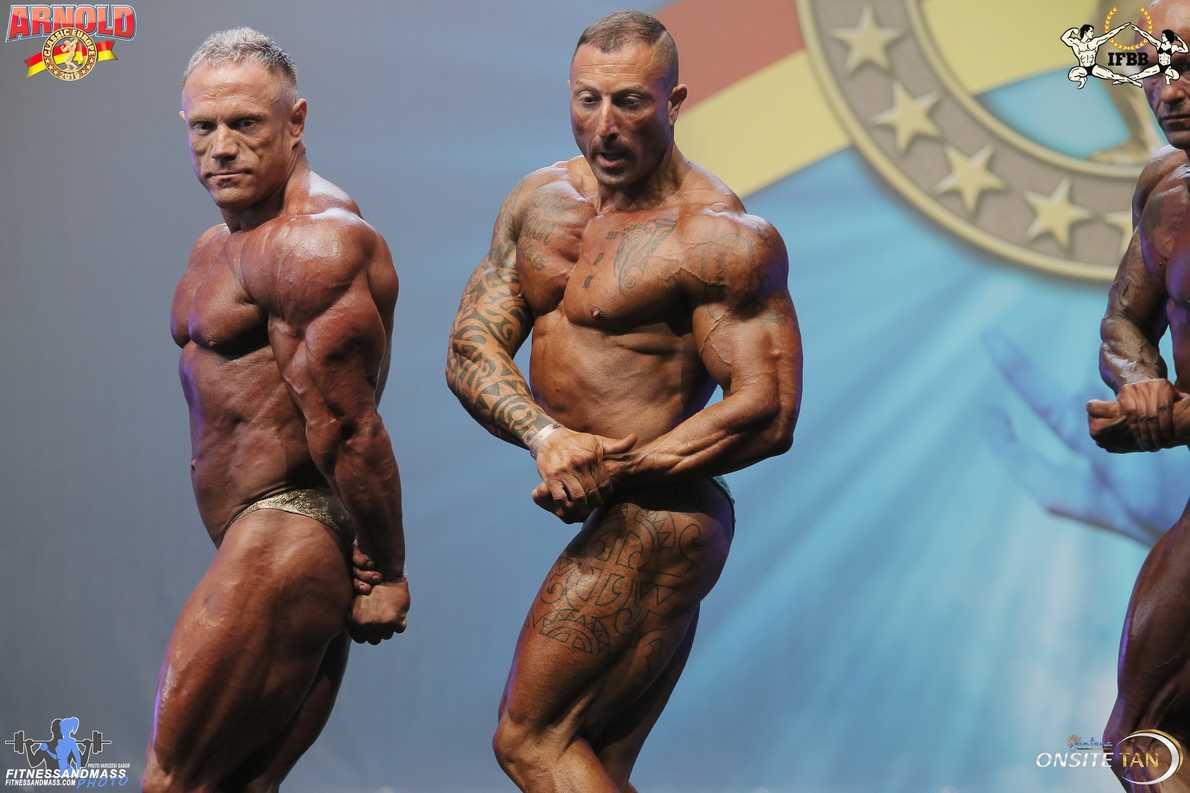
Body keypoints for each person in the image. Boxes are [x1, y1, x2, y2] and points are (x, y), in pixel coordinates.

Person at [419, 10, 800, 791]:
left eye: (629, 102)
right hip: (621, 509)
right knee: (594, 755)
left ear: (674, 102)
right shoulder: (540, 201)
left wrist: (614, 471)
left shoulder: (717, 235)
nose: (605, 125)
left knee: (531, 740)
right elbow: (469, 345)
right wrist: (545, 437)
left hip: (663, 514)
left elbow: (770, 409)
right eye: (587, 100)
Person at [143, 27, 409, 793]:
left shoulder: (311, 243)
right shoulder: (216, 243)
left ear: (295, 122)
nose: (221, 147)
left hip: (287, 534)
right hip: (259, 538)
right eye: (204, 127)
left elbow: (348, 425)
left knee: (171, 781)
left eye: (245, 123)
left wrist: (387, 571)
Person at [1091, 2, 1190, 788]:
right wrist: (1143, 382)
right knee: (1139, 737)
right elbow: (1124, 320)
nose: (1169, 91)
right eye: (1155, 70)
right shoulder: (1165, 188)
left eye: (1185, 67)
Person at [1062, 21, 1141, 88]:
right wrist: (1072, 30)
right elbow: (1064, 38)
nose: (1092, 33)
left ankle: (1134, 82)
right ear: (1085, 32)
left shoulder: (1095, 42)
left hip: (1093, 67)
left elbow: (1109, 35)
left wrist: (1120, 28)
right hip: (1083, 68)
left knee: (1113, 76)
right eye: (1091, 31)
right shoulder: (1077, 43)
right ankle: (1082, 80)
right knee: (1071, 76)